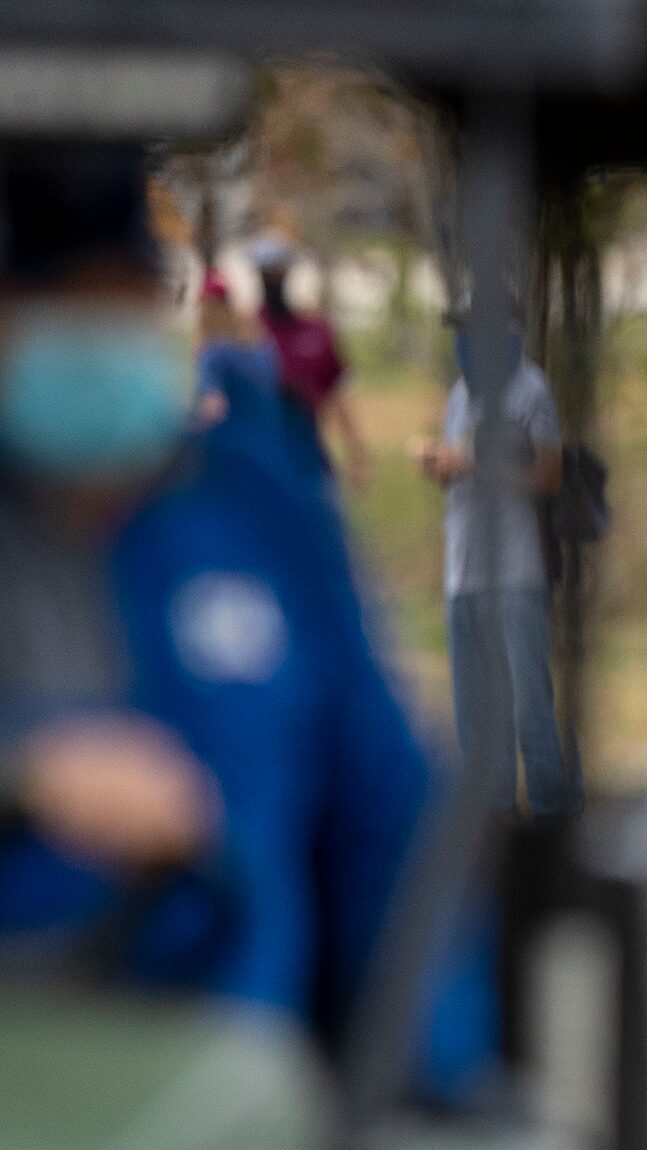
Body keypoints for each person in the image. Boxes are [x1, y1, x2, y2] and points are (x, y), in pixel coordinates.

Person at [0, 141, 486, 1092]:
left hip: (234, 1113)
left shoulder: (256, 510)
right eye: (60, 300)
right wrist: (24, 773)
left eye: (121, 294)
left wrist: (437, 1091)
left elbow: (383, 814)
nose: (95, 328)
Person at [414, 293, 574, 818]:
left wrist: (472, 467)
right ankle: (494, 829)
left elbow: (549, 478)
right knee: (476, 721)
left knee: (529, 708)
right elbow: (459, 471)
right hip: (463, 573)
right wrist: (438, 464)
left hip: (516, 571)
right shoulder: (461, 392)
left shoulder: (532, 390)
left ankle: (553, 820)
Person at [245, 234, 367, 492]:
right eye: (266, 274)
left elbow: (339, 395)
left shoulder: (316, 330)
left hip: (311, 462)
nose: (272, 281)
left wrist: (357, 454)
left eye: (278, 273)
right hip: (260, 466)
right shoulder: (246, 333)